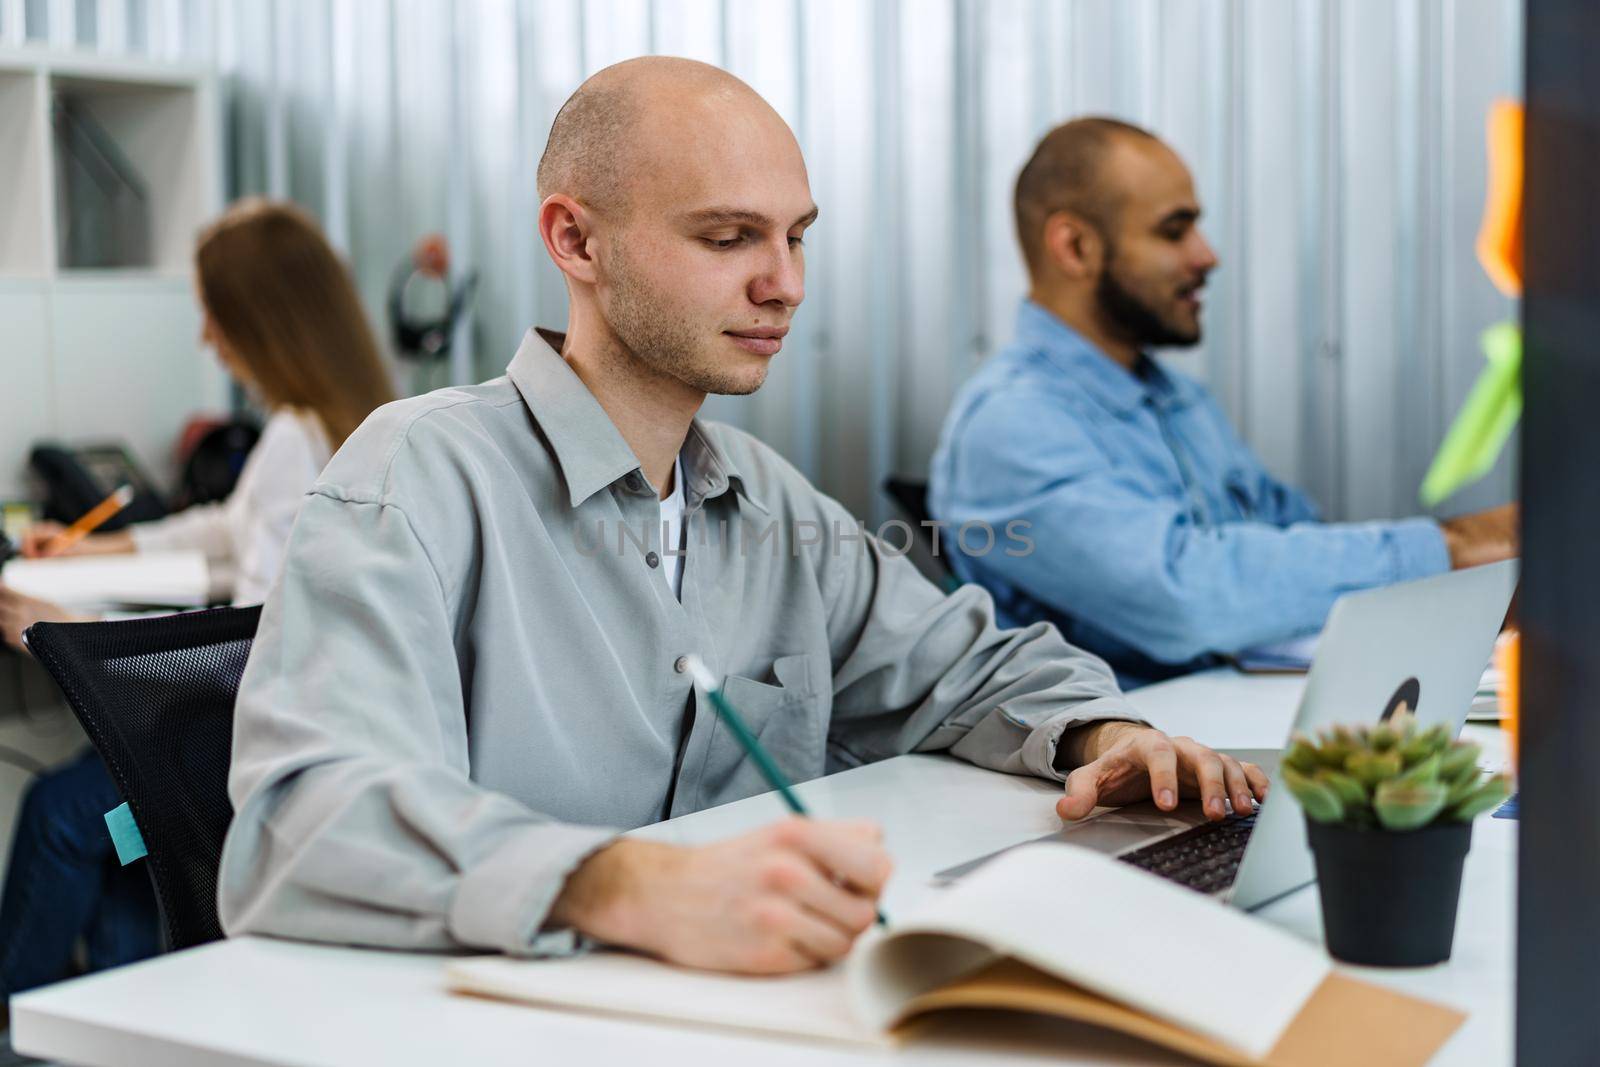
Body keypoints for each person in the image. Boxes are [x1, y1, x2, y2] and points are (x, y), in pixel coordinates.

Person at [218, 58, 1267, 978]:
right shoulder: (418, 476)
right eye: (728, 237)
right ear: (575, 240)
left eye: (797, 236)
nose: (785, 284)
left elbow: (969, 666)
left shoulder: (763, 497)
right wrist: (620, 882)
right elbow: (300, 825)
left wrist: (1106, 730)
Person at [929, 117, 1518, 688]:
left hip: (1239, 733)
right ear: (1076, 247)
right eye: (1173, 230)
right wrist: (1453, 547)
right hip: (1114, 766)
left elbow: (1292, 537)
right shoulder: (1009, 424)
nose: (1206, 256)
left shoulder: (1180, 401)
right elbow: (1188, 595)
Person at [0, 199, 395, 999]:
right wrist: (92, 540)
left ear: (259, 318)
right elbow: (231, 528)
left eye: (213, 313)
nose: (205, 337)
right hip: (291, 737)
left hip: (243, 752)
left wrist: (76, 632)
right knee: (115, 832)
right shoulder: (337, 418)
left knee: (62, 811)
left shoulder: (293, 438)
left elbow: (245, 644)